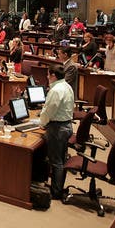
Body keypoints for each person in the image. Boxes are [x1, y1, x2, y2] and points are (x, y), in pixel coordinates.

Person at [40, 65, 74, 200]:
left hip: (57, 128)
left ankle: (56, 192)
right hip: (66, 126)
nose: (47, 77)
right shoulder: (67, 86)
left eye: (48, 75)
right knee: (60, 158)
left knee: (56, 161)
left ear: (53, 75)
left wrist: (42, 123)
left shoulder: (56, 90)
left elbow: (49, 111)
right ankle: (57, 186)